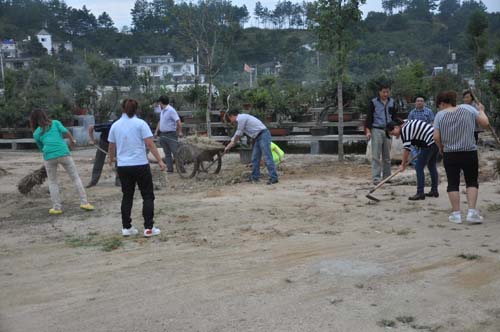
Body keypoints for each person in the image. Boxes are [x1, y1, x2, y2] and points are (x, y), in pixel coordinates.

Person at [108, 99, 166, 237]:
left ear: (122, 108)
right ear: (136, 109)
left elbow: (111, 145)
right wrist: (160, 161)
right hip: (140, 164)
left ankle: (126, 228)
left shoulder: (115, 125)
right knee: (147, 195)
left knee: (127, 196)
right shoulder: (141, 124)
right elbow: (150, 144)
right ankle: (148, 228)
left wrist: (111, 159)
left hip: (123, 166)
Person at [433, 90, 489, 224]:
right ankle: (472, 212)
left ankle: (456, 214)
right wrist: (481, 110)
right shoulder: (468, 109)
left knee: (453, 183)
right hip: (469, 152)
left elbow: (436, 137)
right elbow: (485, 123)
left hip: (450, 153)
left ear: (442, 103)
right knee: (471, 181)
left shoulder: (439, 115)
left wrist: (440, 147)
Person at [31, 109, 94, 215]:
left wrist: (49, 154)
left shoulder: (36, 133)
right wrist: (72, 140)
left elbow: (41, 148)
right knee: (75, 178)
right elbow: (66, 132)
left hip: (49, 156)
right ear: (45, 115)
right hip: (64, 153)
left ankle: (56, 208)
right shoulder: (55, 123)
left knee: (53, 182)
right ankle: (85, 203)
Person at [386, 119, 439, 200]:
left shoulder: (404, 130)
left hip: (430, 143)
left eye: (393, 133)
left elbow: (407, 149)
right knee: (431, 166)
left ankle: (420, 193)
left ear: (396, 127)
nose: (394, 135)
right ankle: (434, 191)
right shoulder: (406, 123)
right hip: (435, 142)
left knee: (418, 167)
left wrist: (402, 164)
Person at [224, 109, 279, 184]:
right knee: (255, 158)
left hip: (263, 135)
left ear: (232, 116)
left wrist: (229, 146)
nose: (231, 121)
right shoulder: (242, 119)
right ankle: (255, 177)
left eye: (230, 119)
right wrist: (229, 145)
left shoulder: (241, 118)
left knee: (267, 156)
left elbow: (238, 133)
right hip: (258, 137)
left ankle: (274, 177)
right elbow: (237, 135)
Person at [365, 84, 399, 185]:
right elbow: (369, 117)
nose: (385, 94)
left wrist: (396, 128)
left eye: (387, 92)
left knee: (387, 156)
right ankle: (376, 178)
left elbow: (394, 116)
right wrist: (368, 130)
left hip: (388, 130)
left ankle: (387, 177)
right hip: (376, 129)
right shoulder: (373, 102)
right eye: (384, 92)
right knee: (376, 155)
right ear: (379, 92)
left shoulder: (392, 102)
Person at [154, 95, 183, 173]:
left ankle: (181, 169)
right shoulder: (162, 111)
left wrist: (180, 131)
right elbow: (160, 121)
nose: (158, 104)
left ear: (161, 102)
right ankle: (170, 169)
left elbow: (178, 122)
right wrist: (156, 131)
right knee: (167, 153)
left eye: (159, 103)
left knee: (175, 152)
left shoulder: (171, 110)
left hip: (171, 134)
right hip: (163, 134)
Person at [87, 119, 120, 188]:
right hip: (104, 143)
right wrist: (92, 140)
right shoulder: (107, 126)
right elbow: (91, 127)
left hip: (116, 144)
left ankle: (119, 181)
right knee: (98, 161)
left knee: (119, 161)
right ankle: (93, 181)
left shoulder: (123, 127)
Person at [407, 96, 434, 165]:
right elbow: (409, 123)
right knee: (413, 148)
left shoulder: (429, 111)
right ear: (415, 102)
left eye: (421, 101)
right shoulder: (412, 113)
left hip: (426, 134)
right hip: (415, 134)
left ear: (424, 103)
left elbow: (432, 122)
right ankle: (416, 163)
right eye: (418, 101)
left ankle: (422, 162)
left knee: (423, 149)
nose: (419, 102)